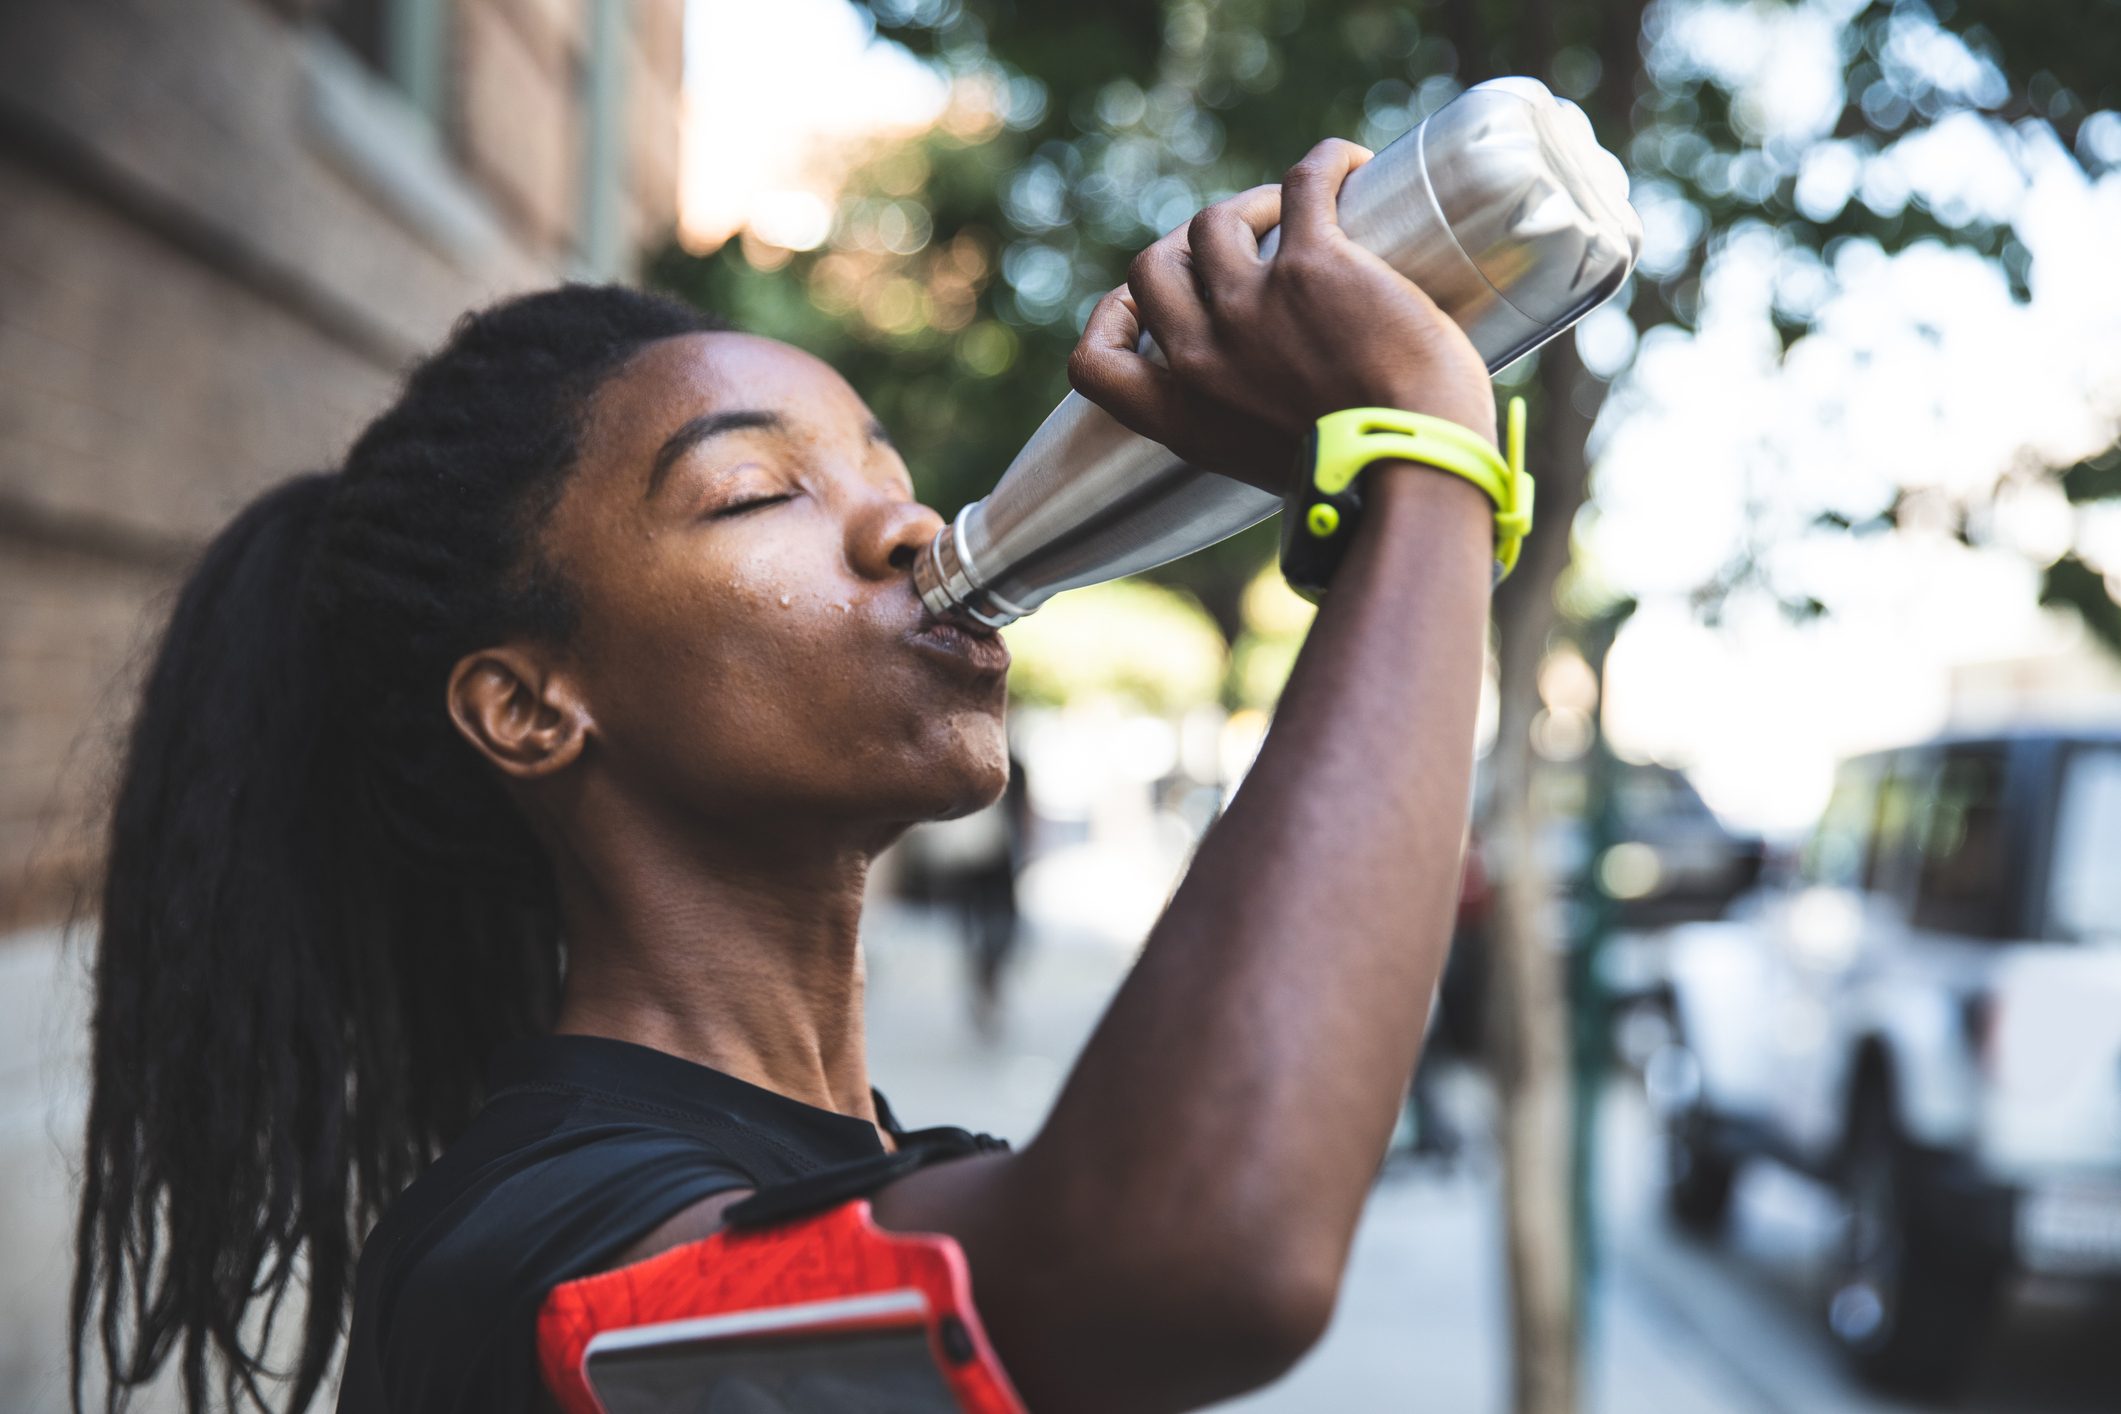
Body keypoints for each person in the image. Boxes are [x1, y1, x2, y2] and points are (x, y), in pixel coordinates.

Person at [72, 139, 1500, 1414]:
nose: (907, 525)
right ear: (526, 708)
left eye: (884, 471)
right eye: (758, 491)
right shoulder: (523, 1244)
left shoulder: (925, 1165)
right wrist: (1420, 466)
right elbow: (1193, 1250)